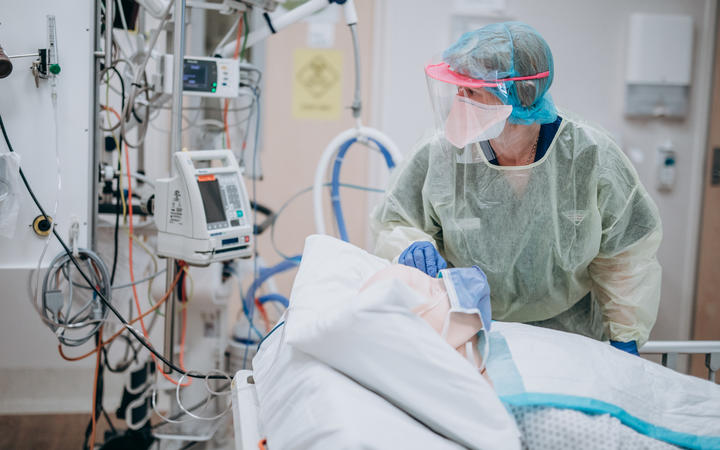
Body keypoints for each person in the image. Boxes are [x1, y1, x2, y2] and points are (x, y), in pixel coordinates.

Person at [371, 21, 662, 354]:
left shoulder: (590, 154)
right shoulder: (441, 154)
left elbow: (626, 255)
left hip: (572, 340)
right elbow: (398, 221)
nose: (459, 101)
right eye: (457, 90)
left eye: (472, 92)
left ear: (517, 94)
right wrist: (411, 246)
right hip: (470, 330)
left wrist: (624, 336)